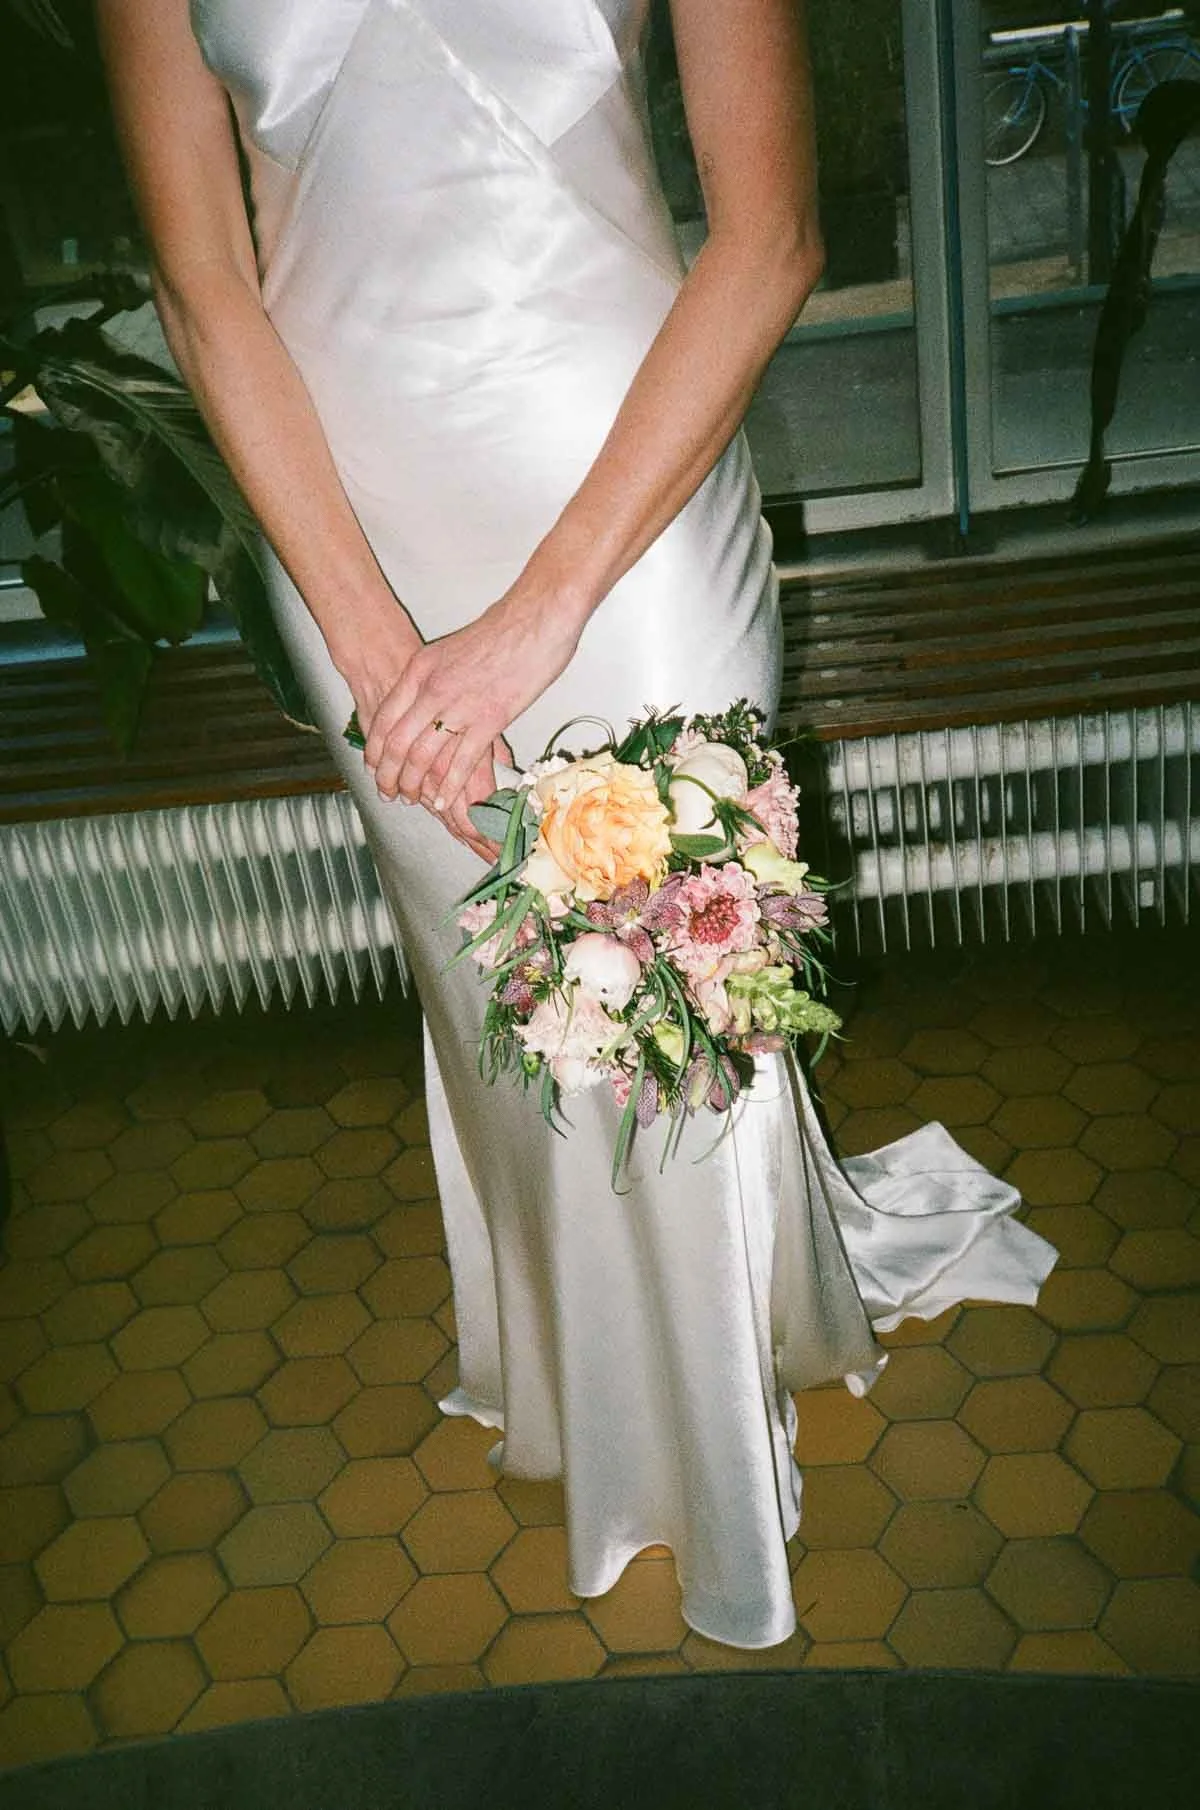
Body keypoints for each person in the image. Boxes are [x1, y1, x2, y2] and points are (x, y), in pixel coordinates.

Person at [97, 0, 1055, 1650]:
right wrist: (377, 653)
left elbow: (771, 238)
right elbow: (204, 287)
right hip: (352, 533)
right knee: (499, 999)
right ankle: (585, 1376)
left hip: (628, 504)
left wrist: (544, 611)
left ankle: (715, 1449)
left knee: (675, 976)